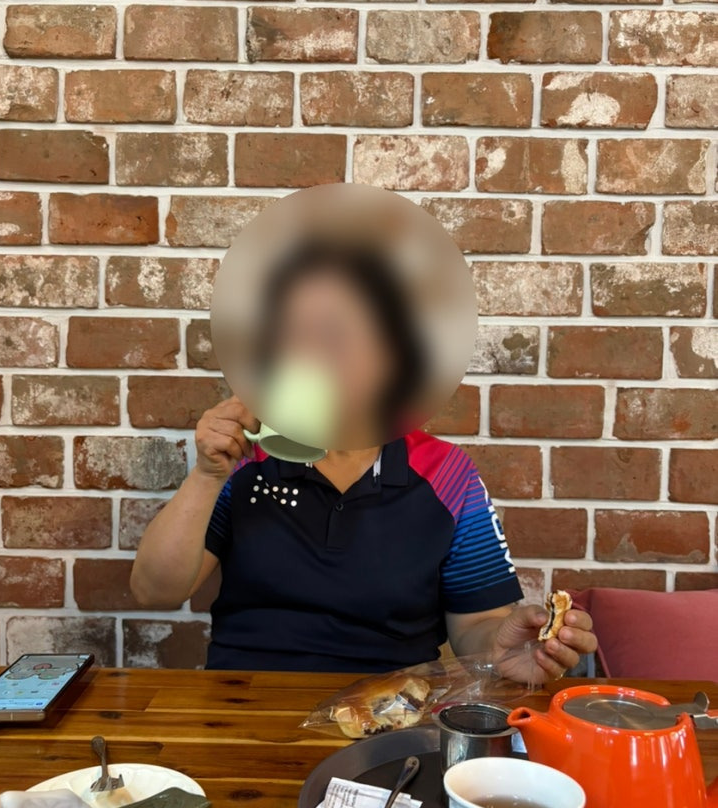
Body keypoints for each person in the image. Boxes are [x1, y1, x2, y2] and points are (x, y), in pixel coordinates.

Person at [131, 239, 597, 680]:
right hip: (244, 701)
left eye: (335, 333)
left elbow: (477, 622)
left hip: (392, 710)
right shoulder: (242, 457)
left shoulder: (446, 473)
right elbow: (154, 591)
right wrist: (207, 474)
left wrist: (506, 648)